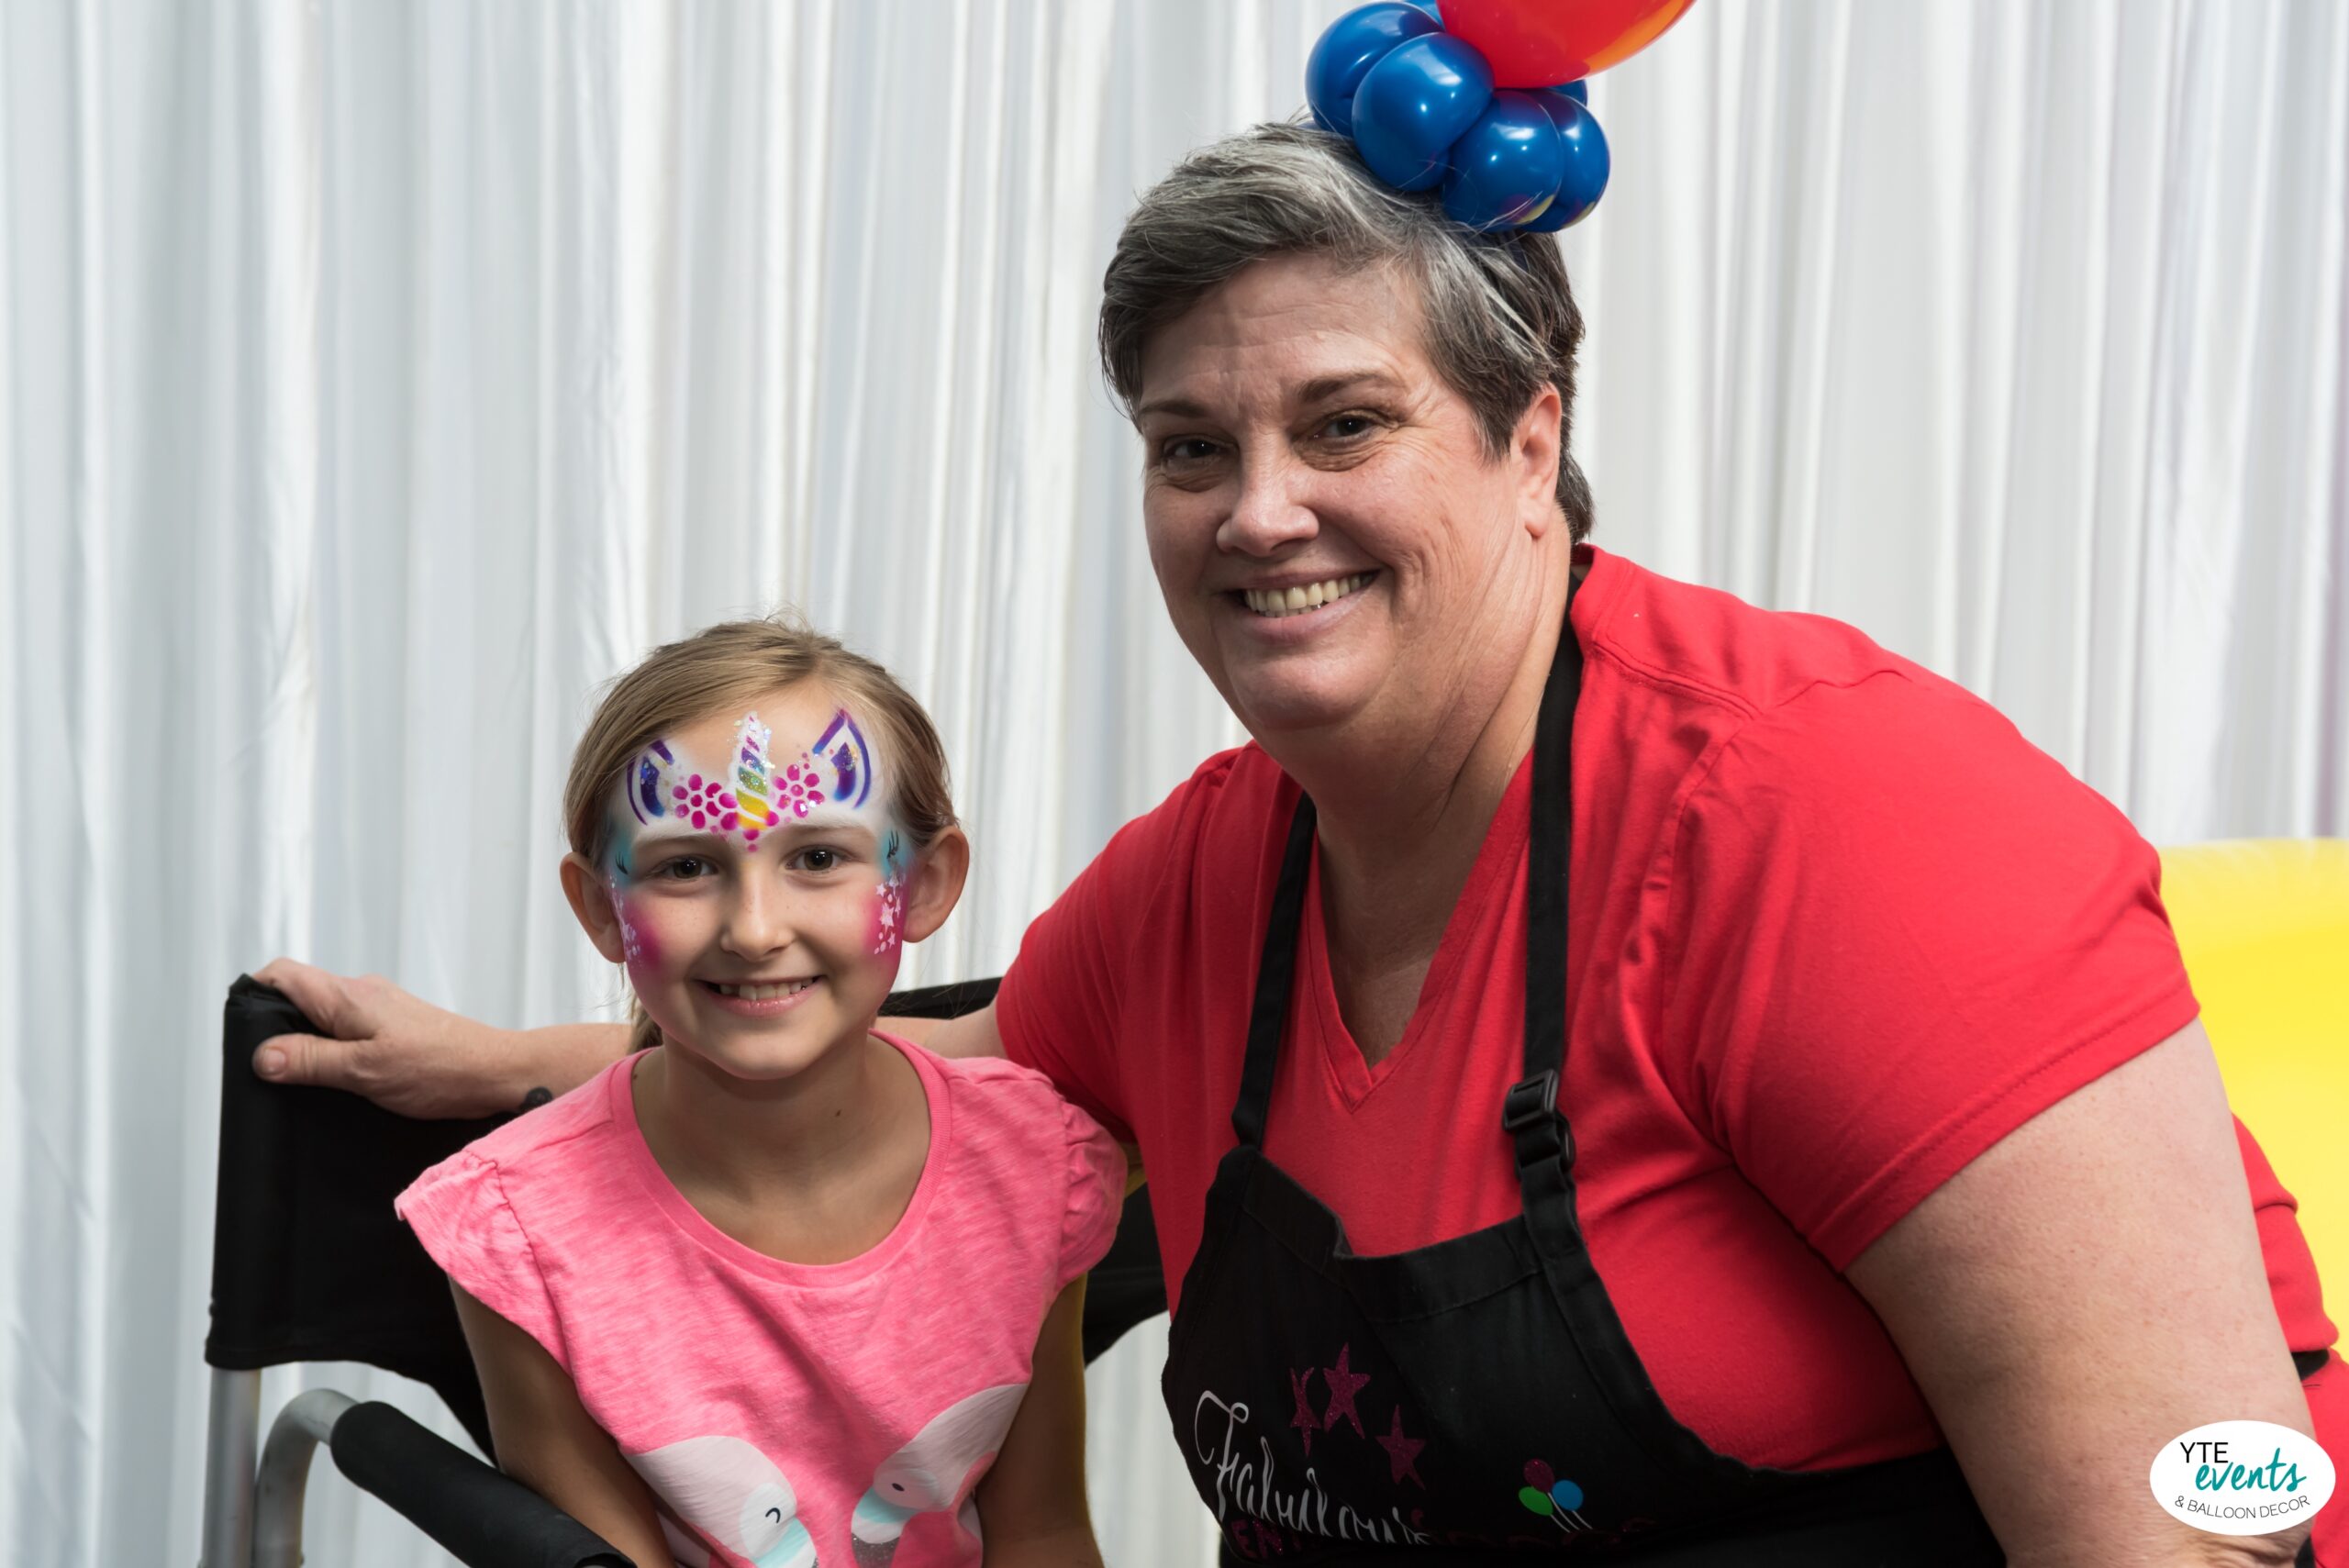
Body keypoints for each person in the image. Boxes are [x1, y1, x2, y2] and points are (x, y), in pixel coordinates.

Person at [256, 124, 2337, 1564]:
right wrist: (510, 1066)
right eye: (1188, 448)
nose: (1255, 511)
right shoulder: (1206, 879)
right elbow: (936, 1064)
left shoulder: (1833, 821)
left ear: (1530, 444)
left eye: (1340, 425)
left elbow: (2177, 1520)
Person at [389, 618, 1123, 1568]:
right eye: (686, 865)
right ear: (601, 907)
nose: (754, 927)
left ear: (926, 882)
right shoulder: (517, 1231)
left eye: (818, 857)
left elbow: (1045, 1531)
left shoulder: (1035, 1164)